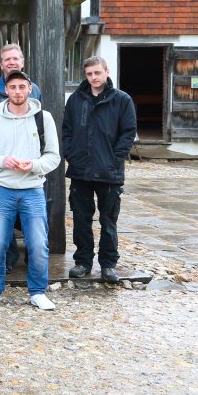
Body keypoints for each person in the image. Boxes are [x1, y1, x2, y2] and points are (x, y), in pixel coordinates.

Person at [0, 71, 60, 311]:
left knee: (38, 244)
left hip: (33, 189)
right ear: (6, 90)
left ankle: (37, 292)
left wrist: (33, 165)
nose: (18, 92)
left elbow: (53, 157)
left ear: (30, 88)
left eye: (22, 87)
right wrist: (3, 161)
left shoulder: (44, 118)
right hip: (2, 189)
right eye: (13, 87)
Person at [63, 57, 137, 284]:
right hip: (81, 171)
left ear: (106, 72)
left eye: (97, 73)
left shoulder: (122, 100)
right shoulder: (76, 100)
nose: (94, 78)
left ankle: (108, 265)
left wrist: (115, 160)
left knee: (108, 221)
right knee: (81, 219)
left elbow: (128, 132)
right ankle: (83, 261)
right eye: (89, 74)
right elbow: (67, 131)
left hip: (109, 173)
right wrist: (72, 155)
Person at [0, 43, 42, 272]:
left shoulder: (33, 89)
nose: (11, 62)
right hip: (1, 165)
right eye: (7, 59)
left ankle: (32, 258)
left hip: (29, 167)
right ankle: (9, 257)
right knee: (2, 219)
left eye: (15, 59)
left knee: (31, 219)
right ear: (0, 64)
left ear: (22, 62)